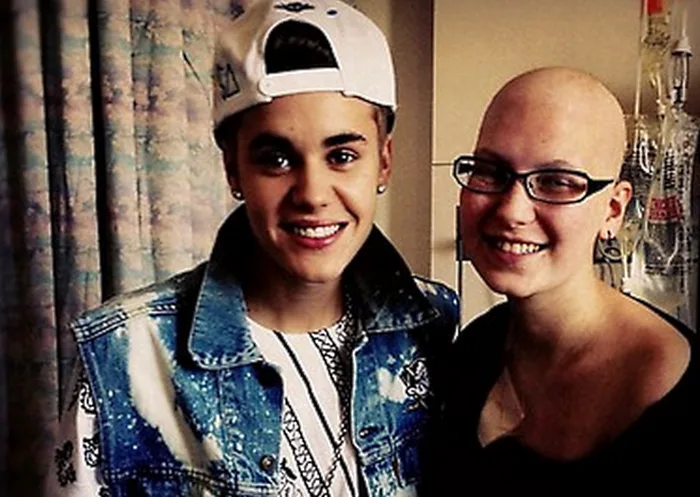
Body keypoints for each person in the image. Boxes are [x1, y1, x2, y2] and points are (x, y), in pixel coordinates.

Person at [45, 1, 458, 496]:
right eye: (276, 159)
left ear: (384, 162)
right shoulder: (124, 352)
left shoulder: (434, 325)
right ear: (233, 170)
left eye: (343, 155)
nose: (312, 194)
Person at [441, 67, 698, 491]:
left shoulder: (676, 398)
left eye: (557, 182)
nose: (511, 211)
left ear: (613, 210)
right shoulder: (471, 354)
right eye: (491, 171)